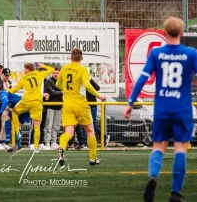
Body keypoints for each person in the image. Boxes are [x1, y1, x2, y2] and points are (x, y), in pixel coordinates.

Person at [124, 17, 196, 202]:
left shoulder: (156, 53)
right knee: (180, 149)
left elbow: (142, 79)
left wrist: (131, 102)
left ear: (164, 33)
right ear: (181, 33)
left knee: (158, 147)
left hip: (163, 109)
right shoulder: (190, 53)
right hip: (183, 110)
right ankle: (175, 193)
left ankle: (153, 176)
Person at [56, 49, 106, 166]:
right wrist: (99, 95)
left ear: (70, 57)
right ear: (81, 58)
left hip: (67, 104)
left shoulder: (64, 69)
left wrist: (66, 91)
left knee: (68, 132)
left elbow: (58, 84)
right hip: (80, 103)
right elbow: (87, 85)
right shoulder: (83, 69)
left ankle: (61, 147)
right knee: (90, 131)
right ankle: (93, 159)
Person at [7, 63, 54, 153]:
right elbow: (51, 69)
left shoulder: (23, 78)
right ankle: (36, 148)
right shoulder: (39, 74)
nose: (24, 71)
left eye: (24, 69)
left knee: (14, 113)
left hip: (27, 101)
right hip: (37, 102)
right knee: (37, 126)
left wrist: (7, 89)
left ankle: (18, 133)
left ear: (27, 69)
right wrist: (43, 66)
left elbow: (13, 91)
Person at [0, 86, 31, 150]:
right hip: (26, 107)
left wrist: (0, 113)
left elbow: (5, 101)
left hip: (22, 105)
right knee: (18, 126)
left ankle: (7, 138)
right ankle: (18, 144)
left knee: (8, 117)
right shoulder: (2, 94)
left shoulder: (2, 94)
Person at [82, 78, 110, 148]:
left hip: (92, 106)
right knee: (84, 125)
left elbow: (97, 88)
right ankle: (84, 143)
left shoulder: (89, 81)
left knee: (92, 126)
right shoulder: (81, 82)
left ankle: (105, 136)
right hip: (84, 105)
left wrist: (91, 80)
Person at [44, 68, 63, 150]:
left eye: (57, 73)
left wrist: (56, 93)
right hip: (50, 107)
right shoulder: (48, 81)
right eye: (54, 73)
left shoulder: (62, 81)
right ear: (52, 73)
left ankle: (54, 142)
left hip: (59, 107)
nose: (56, 74)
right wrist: (61, 92)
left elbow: (56, 92)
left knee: (56, 126)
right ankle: (47, 142)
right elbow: (51, 93)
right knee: (48, 126)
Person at [0, 68, 13, 146]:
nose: (7, 77)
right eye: (5, 75)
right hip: (3, 106)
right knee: (4, 124)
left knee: (8, 124)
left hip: (9, 105)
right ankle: (2, 141)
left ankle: (7, 141)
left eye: (8, 75)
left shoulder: (9, 82)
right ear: (2, 74)